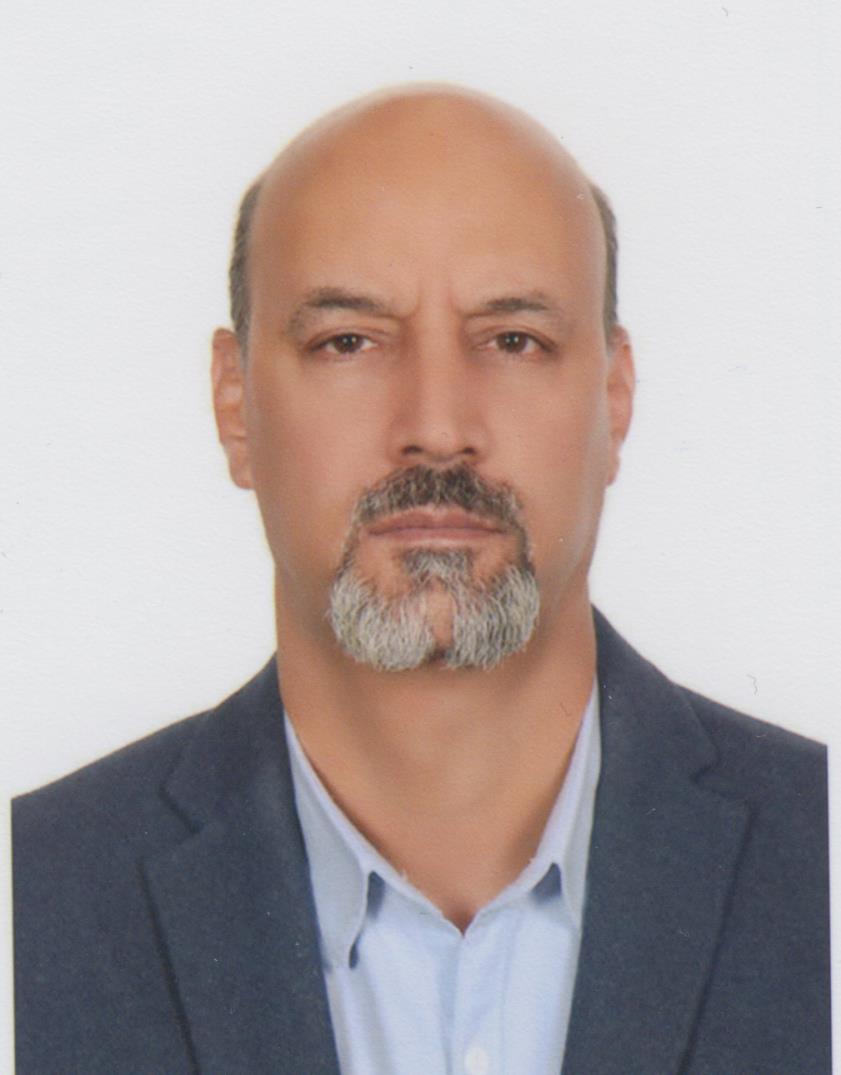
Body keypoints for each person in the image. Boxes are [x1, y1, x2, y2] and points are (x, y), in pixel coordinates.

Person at [13, 85, 830, 1074]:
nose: (437, 426)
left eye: (513, 340)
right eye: (347, 341)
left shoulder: (816, 851)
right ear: (234, 405)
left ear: (614, 400)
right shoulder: (35, 896)